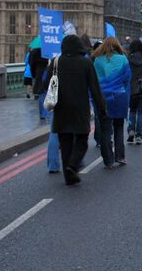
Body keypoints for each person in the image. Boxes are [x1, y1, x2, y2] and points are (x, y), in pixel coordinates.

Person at [48, 35, 107, 186]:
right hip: (79, 108)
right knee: (82, 140)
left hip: (60, 108)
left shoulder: (56, 62)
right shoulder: (86, 63)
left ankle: (69, 177)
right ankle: (73, 165)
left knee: (65, 142)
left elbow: (45, 84)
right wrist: (102, 108)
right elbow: (95, 89)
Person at [93, 37, 131, 168]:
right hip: (119, 97)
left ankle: (108, 160)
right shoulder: (123, 59)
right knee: (119, 128)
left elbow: (94, 81)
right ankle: (120, 156)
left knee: (105, 130)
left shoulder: (97, 61)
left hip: (103, 98)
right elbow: (127, 80)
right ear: (117, 46)